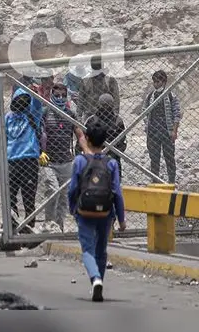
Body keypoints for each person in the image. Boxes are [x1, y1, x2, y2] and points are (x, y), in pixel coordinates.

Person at [68, 117, 126, 303]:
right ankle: (99, 280)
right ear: (105, 140)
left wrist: (73, 208)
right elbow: (117, 193)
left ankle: (96, 279)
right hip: (106, 213)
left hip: (84, 212)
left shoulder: (79, 161)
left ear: (87, 138)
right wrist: (121, 218)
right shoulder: (111, 163)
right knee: (101, 250)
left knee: (87, 249)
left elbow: (72, 189)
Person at [40, 81, 84, 233]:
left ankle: (58, 226)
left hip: (66, 160)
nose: (59, 98)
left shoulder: (70, 114)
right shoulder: (45, 112)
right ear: (51, 95)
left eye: (63, 96)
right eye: (57, 95)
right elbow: (39, 133)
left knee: (64, 197)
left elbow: (79, 134)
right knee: (52, 190)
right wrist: (40, 151)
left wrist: (87, 151)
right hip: (49, 161)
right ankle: (48, 223)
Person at [4, 86, 41, 233]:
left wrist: (34, 93)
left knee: (28, 196)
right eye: (18, 100)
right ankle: (13, 225)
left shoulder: (32, 114)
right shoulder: (8, 117)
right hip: (12, 160)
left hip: (29, 159)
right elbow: (4, 139)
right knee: (10, 195)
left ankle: (29, 226)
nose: (21, 103)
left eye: (25, 100)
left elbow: (38, 103)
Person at [142, 70, 181, 184]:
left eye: (158, 81)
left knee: (169, 158)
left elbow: (176, 113)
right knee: (154, 159)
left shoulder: (170, 95)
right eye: (154, 81)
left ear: (164, 82)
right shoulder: (150, 96)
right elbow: (144, 111)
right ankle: (155, 181)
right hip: (153, 133)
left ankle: (171, 182)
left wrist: (174, 130)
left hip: (166, 132)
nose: (156, 84)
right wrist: (147, 124)